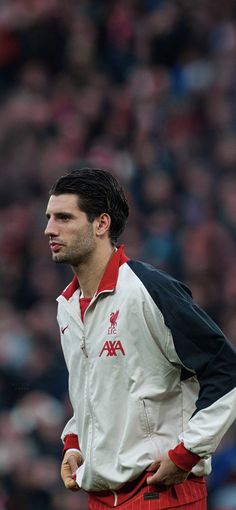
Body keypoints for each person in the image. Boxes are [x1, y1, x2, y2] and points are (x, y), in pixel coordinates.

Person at [44, 167, 236, 510]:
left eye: (63, 218)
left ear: (101, 224)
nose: (49, 229)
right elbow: (91, 390)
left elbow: (227, 371)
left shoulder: (150, 291)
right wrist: (73, 443)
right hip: (100, 497)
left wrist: (187, 453)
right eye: (49, 217)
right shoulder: (67, 306)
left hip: (159, 494)